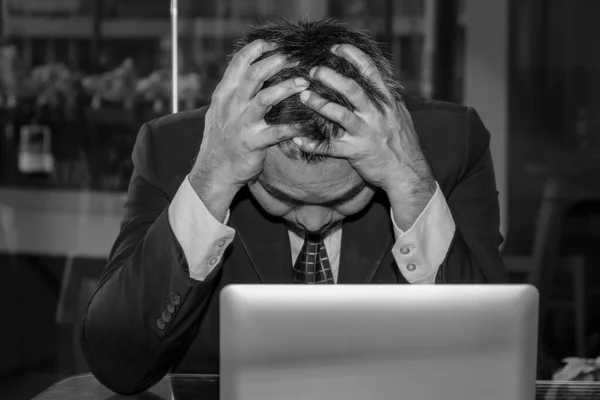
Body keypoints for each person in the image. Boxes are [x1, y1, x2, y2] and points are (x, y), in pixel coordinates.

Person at [81, 19, 508, 395]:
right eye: (284, 197)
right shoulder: (175, 152)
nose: (313, 220)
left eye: (343, 197)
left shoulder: (450, 148)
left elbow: (493, 365)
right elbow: (120, 365)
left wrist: (413, 184)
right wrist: (211, 180)